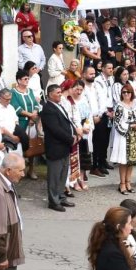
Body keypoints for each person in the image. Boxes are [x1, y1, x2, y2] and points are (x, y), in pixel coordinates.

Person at [40, 84, 76, 212]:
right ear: (50, 94)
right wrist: (71, 139)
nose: (61, 94)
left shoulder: (59, 106)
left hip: (64, 147)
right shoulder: (48, 109)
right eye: (58, 92)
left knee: (62, 174)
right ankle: (53, 201)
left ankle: (60, 196)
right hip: (55, 147)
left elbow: (67, 123)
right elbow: (56, 130)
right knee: (55, 176)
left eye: (61, 92)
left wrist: (74, 133)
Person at [109, 84, 136, 195]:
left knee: (132, 161)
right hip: (124, 136)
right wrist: (130, 127)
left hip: (135, 135)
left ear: (131, 93)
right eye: (123, 92)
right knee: (123, 161)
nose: (126, 94)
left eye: (128, 92)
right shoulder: (119, 106)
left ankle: (128, 182)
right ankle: (122, 184)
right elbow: (117, 123)